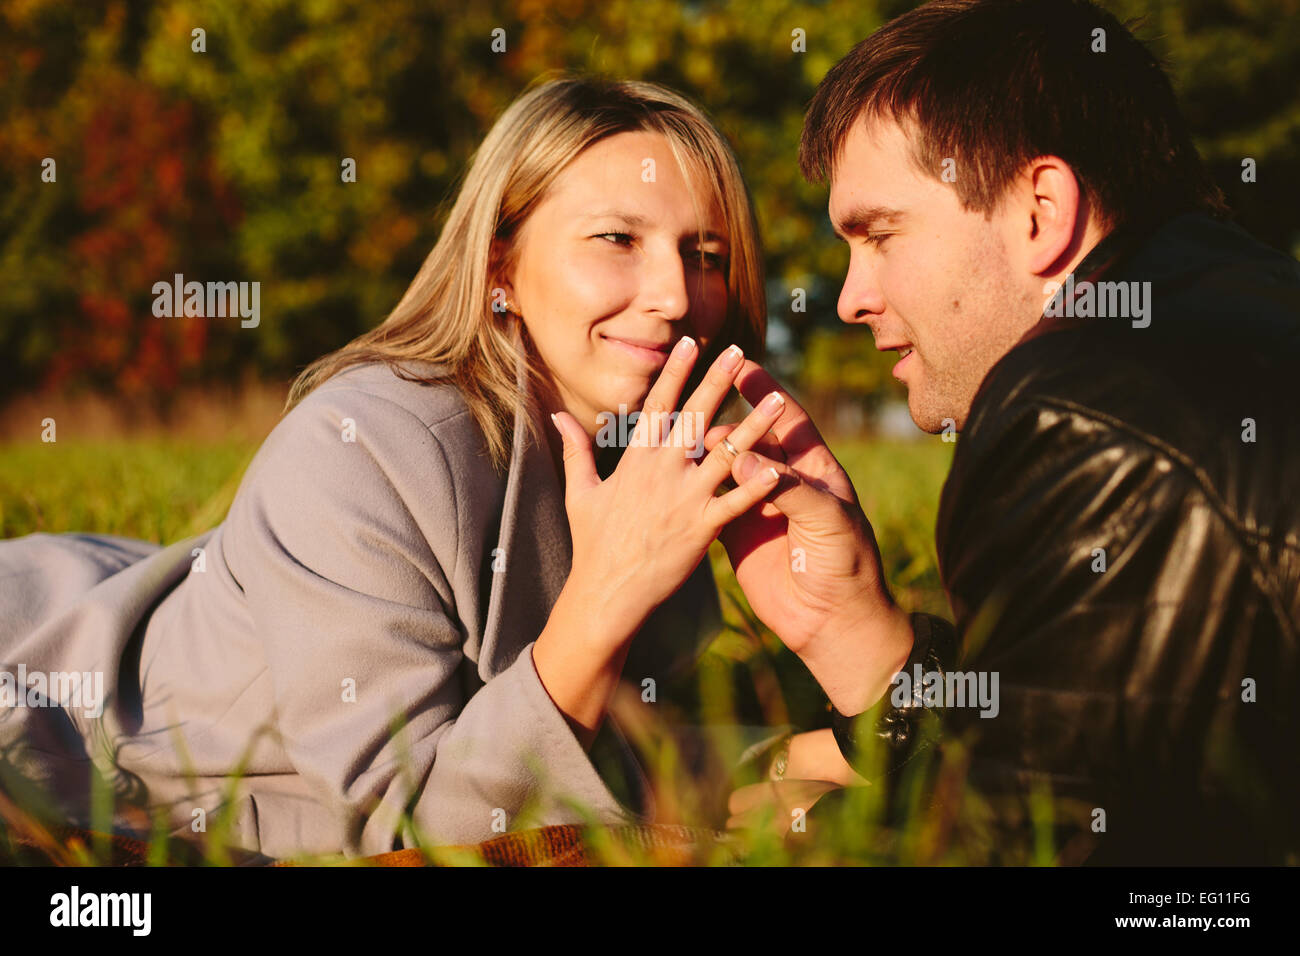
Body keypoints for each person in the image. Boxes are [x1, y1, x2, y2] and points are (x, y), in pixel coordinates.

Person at [0, 75, 790, 861]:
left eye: (705, 255)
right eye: (618, 239)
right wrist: (607, 596)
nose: (675, 296)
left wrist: (804, 744)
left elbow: (613, 752)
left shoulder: (646, 457)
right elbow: (412, 830)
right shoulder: (362, 447)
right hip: (59, 689)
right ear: (500, 265)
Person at [711, 0, 1300, 864]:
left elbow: (1058, 855)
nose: (849, 299)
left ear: (1040, 209)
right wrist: (859, 637)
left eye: (879, 235)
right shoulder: (1234, 311)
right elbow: (1106, 790)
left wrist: (787, 829)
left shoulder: (1076, 411)